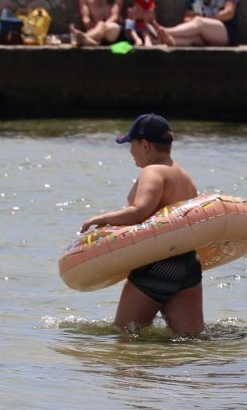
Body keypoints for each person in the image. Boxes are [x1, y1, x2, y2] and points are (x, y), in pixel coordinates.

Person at [80, 114, 206, 337]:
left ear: (145, 145)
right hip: (188, 264)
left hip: (156, 263)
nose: (130, 151)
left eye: (131, 144)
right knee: (191, 343)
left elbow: (140, 212)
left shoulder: (153, 171)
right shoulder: (185, 176)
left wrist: (100, 219)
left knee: (124, 338)